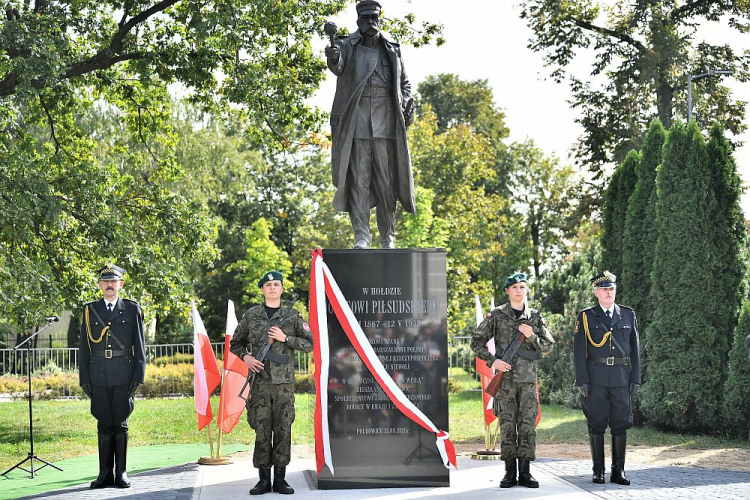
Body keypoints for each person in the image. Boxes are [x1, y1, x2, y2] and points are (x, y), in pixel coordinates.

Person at [324, 0, 416, 249]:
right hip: (358, 124)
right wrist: (332, 57)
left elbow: (405, 85)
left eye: (374, 19)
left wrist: (408, 101)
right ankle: (361, 236)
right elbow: (338, 65)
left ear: (379, 20)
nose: (370, 24)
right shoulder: (346, 46)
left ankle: (388, 235)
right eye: (366, 20)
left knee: (387, 182)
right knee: (359, 181)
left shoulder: (392, 50)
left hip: (386, 124)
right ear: (358, 22)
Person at [230, 271, 314, 495]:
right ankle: (263, 479)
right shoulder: (251, 315)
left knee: (283, 430)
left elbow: (310, 343)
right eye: (268, 284)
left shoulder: (293, 316)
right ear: (263, 289)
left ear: (282, 289)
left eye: (276, 284)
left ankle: (280, 478)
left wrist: (285, 338)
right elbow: (235, 343)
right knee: (262, 430)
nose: (273, 288)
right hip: (259, 384)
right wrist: (247, 358)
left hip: (284, 385)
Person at [471, 272, 555, 488]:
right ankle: (509, 472)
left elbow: (548, 346)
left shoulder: (534, 316)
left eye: (522, 287)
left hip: (527, 382)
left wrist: (531, 336)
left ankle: (526, 473)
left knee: (527, 427)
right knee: (508, 426)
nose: (519, 290)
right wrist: (493, 361)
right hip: (505, 382)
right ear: (507, 291)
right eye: (515, 287)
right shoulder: (497, 315)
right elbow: (477, 341)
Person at [78, 264, 146, 489]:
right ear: (99, 285)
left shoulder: (131, 309)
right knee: (103, 423)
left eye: (113, 281)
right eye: (105, 281)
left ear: (121, 285)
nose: (109, 285)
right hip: (97, 373)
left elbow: (139, 345)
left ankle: (121, 473)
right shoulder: (90, 310)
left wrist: (138, 375)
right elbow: (84, 347)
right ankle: (104, 473)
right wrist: (84, 377)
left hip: (123, 373)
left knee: (121, 423)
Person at [574, 271, 641, 486]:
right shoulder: (586, 317)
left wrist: (635, 378)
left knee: (620, 424)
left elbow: (635, 350)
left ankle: (618, 471)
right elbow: (579, 351)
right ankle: (598, 471)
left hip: (621, 377)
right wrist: (582, 380)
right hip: (596, 378)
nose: (609, 292)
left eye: (611, 289)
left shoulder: (628, 315)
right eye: (604, 289)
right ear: (596, 293)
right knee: (596, 423)